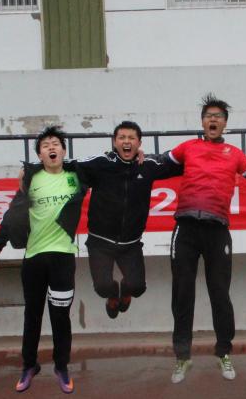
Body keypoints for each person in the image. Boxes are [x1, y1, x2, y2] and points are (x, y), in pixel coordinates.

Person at [166, 94, 246, 384]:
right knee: (182, 293)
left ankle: (224, 352)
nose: (213, 120)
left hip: (217, 231)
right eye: (208, 116)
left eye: (218, 116)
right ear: (202, 122)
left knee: (220, 294)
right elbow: (160, 165)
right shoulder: (187, 147)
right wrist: (136, 159)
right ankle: (182, 357)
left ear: (225, 124)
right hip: (185, 229)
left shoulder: (235, 154)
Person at [0, 126, 87, 394]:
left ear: (63, 151)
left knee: (60, 316)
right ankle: (29, 365)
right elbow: (14, 213)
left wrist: (138, 154)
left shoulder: (76, 176)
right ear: (40, 155)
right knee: (32, 314)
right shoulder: (32, 179)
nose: (51, 147)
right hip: (34, 258)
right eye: (45, 145)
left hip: (63, 257)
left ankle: (61, 366)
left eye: (56, 143)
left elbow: (109, 168)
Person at [77, 121, 182, 319]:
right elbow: (69, 165)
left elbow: (177, 164)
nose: (127, 141)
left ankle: (125, 290)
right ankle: (112, 293)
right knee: (102, 287)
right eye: (122, 138)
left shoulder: (147, 165)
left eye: (131, 138)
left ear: (139, 143)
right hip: (100, 242)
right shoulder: (101, 163)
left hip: (131, 244)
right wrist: (30, 170)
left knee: (137, 287)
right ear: (114, 142)